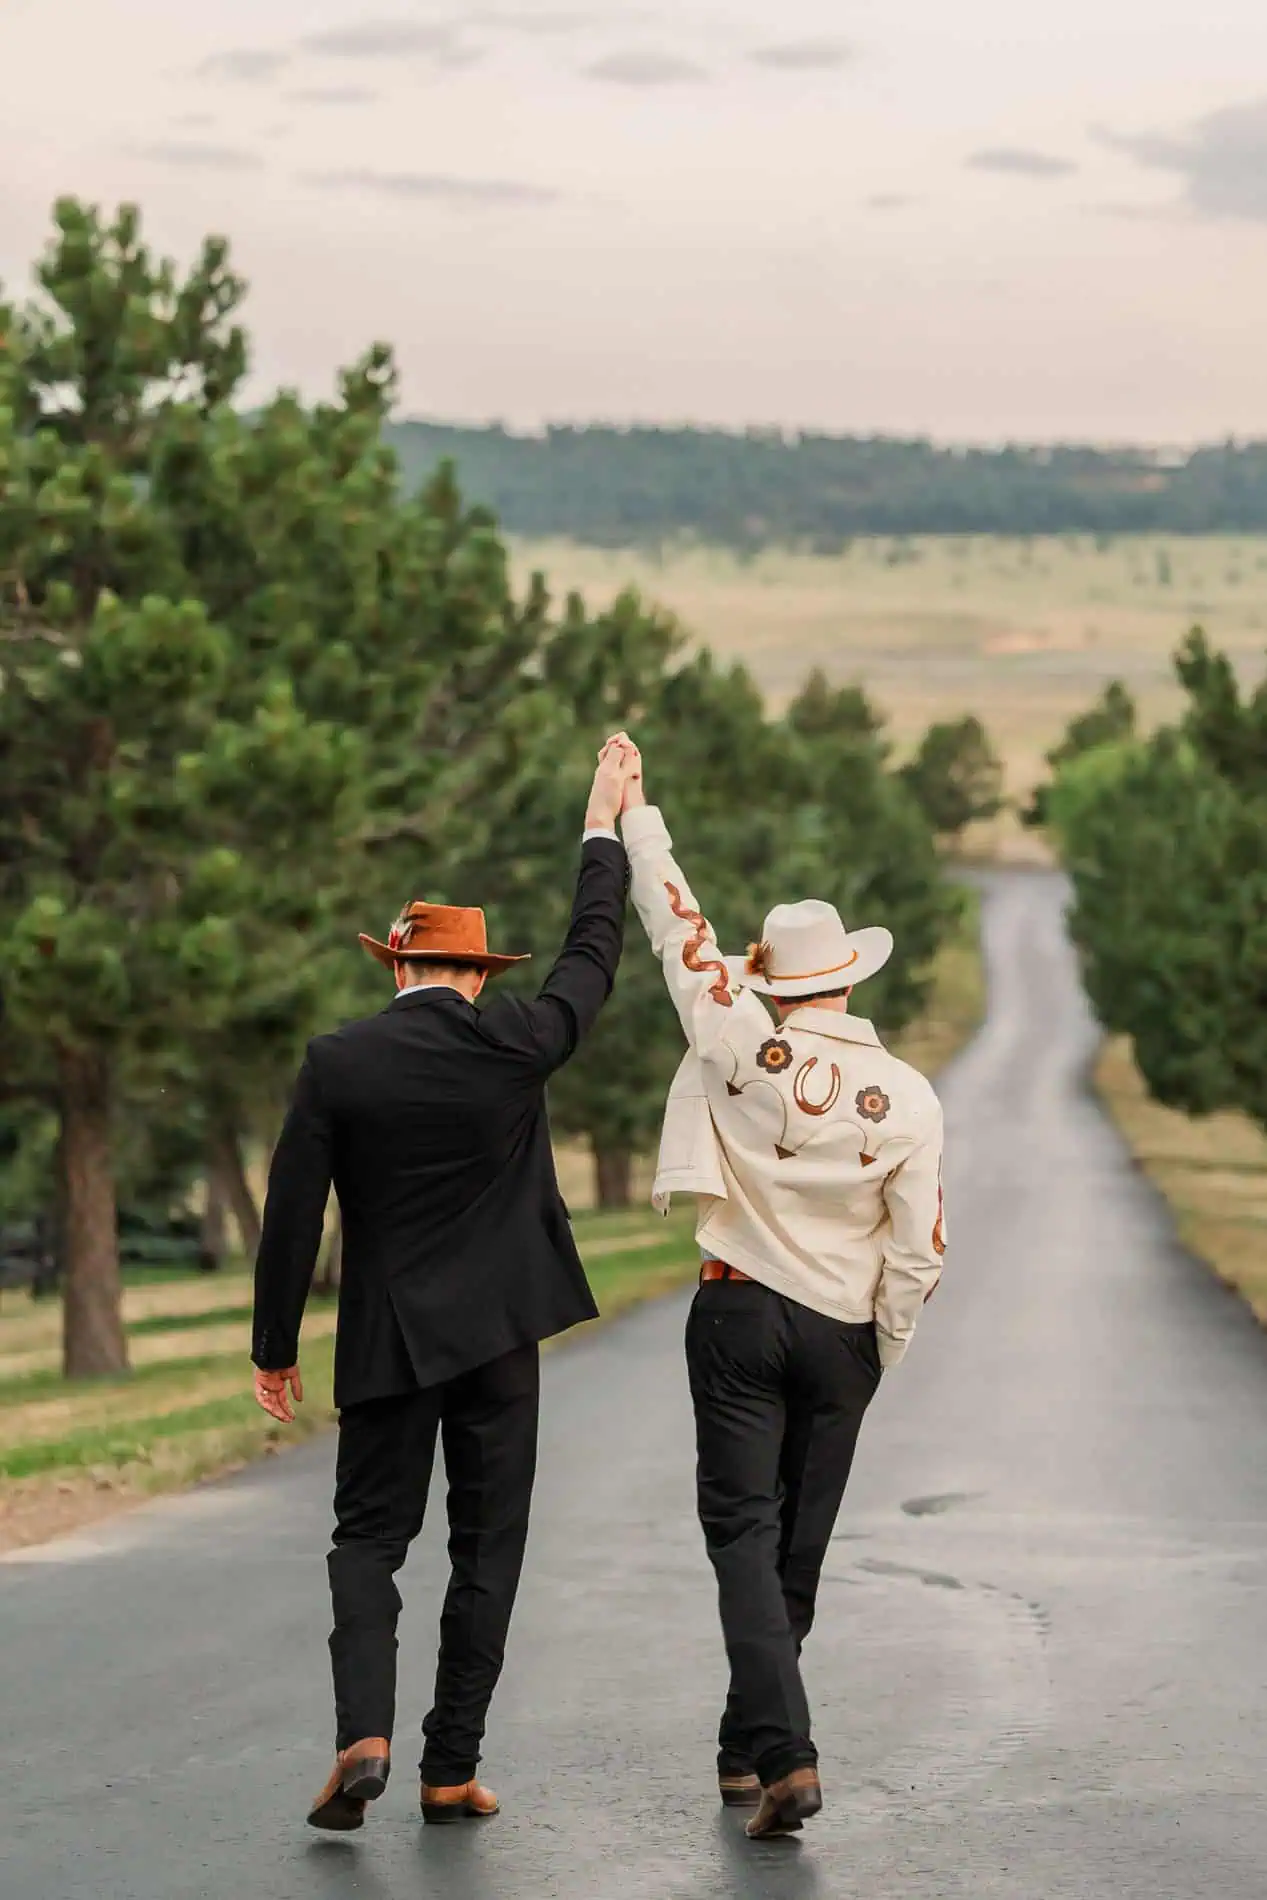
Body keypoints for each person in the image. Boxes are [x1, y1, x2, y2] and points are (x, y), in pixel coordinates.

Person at [250, 739, 636, 1832]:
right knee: (486, 1548)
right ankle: (447, 1766)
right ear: (477, 975)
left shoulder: (338, 1062)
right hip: (501, 1340)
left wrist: (273, 1344)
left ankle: (361, 1733)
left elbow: (291, 1213)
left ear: (395, 968)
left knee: (368, 1541)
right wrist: (600, 825)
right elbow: (592, 957)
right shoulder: (516, 1042)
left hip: (385, 1343)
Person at [613, 734, 946, 1841]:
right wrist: (879, 1345)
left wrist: (636, 817)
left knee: (742, 1536)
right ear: (848, 976)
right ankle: (748, 1751)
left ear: (779, 979)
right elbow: (920, 1247)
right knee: (794, 1548)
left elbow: (681, 932)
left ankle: (780, 1754)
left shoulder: (738, 1041)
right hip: (843, 1327)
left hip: (739, 1304)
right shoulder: (906, 1094)